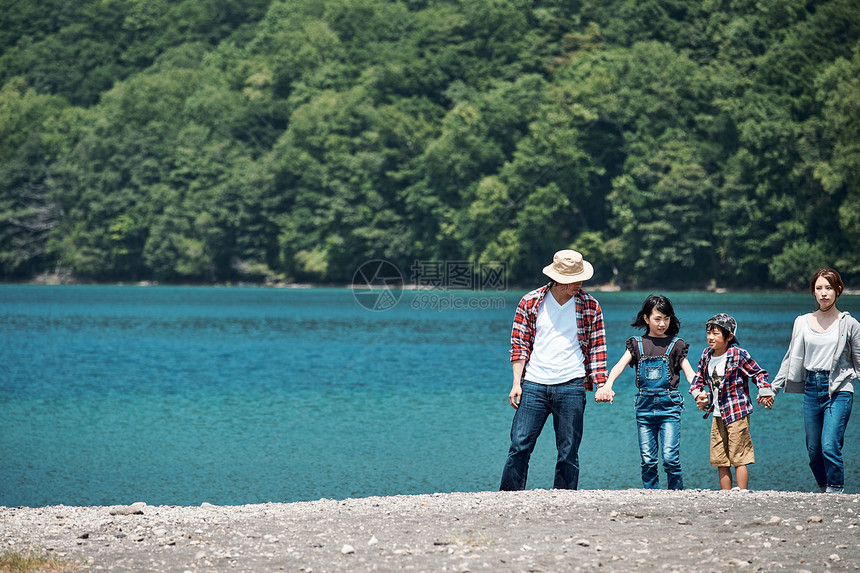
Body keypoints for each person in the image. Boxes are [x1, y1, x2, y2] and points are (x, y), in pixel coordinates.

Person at [499, 249, 608, 491]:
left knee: (569, 450)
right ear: (557, 278)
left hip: (572, 384)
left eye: (580, 277)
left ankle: (564, 499)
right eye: (572, 279)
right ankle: (507, 498)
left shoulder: (590, 305)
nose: (578, 283)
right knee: (519, 445)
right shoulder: (530, 302)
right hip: (534, 384)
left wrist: (601, 384)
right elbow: (519, 346)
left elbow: (597, 348)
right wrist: (517, 383)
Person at [771, 268, 860, 493]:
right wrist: (773, 388)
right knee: (813, 449)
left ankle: (836, 490)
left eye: (829, 288)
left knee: (830, 445)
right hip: (811, 387)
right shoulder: (802, 321)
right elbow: (790, 358)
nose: (823, 293)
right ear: (813, 291)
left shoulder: (849, 324)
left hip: (839, 389)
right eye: (819, 288)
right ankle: (824, 488)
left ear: (838, 290)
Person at [595, 295, 696, 489]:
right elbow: (619, 366)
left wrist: (697, 391)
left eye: (666, 318)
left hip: (670, 409)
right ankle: (652, 496)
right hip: (644, 409)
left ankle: (677, 495)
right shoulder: (636, 344)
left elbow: (690, 373)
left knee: (670, 459)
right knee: (648, 461)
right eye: (657, 318)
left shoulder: (676, 345)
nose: (662, 323)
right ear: (646, 318)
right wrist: (608, 385)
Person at [689, 314, 773, 490]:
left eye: (716, 334)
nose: (710, 337)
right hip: (717, 413)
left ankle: (742, 492)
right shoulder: (706, 355)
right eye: (708, 333)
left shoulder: (738, 354)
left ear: (728, 337)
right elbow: (697, 380)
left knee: (738, 457)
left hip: (737, 413)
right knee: (720, 457)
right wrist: (700, 396)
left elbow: (758, 373)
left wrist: (764, 391)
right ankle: (725, 495)